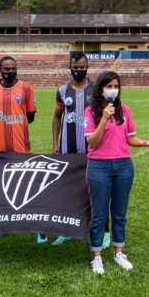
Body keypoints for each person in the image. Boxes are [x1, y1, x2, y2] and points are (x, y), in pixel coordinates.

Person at [84, 71, 149, 274]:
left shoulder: (124, 110)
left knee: (119, 213)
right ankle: (97, 256)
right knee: (99, 214)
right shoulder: (90, 112)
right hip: (99, 166)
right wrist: (103, 119)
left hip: (123, 167)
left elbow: (130, 139)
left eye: (116, 86)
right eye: (109, 86)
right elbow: (91, 141)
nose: (113, 89)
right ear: (100, 89)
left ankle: (119, 252)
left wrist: (146, 142)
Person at [0, 55, 37, 242]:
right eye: (6, 69)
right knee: (1, 186)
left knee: (24, 184)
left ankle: (33, 224)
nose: (10, 71)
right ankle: (2, 225)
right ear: (0, 70)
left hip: (20, 146)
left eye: (13, 68)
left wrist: (15, 124)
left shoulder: (27, 87)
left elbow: (30, 116)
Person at [51, 52, 98, 246]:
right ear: (70, 67)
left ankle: (95, 229)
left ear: (87, 67)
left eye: (82, 67)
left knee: (92, 189)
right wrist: (55, 142)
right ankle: (67, 230)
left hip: (92, 150)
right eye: (75, 67)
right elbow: (56, 117)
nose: (79, 70)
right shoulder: (62, 91)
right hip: (67, 150)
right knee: (68, 189)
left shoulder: (96, 90)